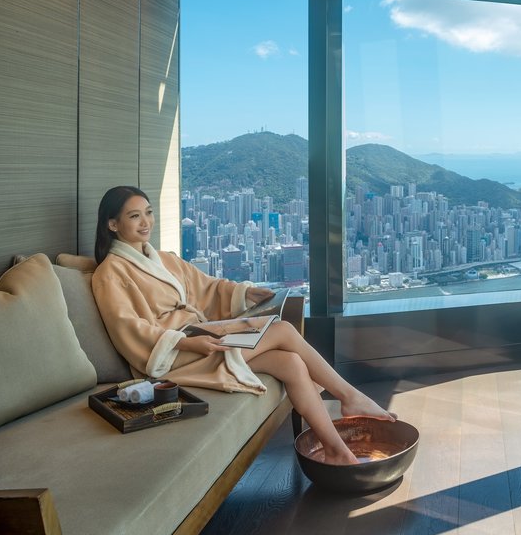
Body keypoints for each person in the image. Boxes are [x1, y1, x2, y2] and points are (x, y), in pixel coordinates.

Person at [91, 185, 394, 465]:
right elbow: (128, 328)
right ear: (112, 224)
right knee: (284, 331)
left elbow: (207, 288)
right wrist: (185, 342)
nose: (145, 222)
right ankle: (349, 397)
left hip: (200, 337)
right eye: (134, 216)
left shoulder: (165, 259)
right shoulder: (109, 273)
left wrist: (246, 293)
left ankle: (336, 451)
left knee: (290, 362)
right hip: (171, 356)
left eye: (148, 212)